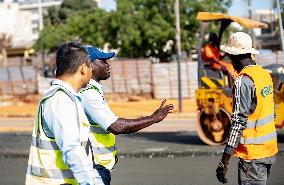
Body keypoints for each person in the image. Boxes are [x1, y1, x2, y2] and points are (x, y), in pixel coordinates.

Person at [80, 46, 175, 185]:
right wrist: (153, 118)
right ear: (91, 65)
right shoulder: (89, 94)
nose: (108, 64)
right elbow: (117, 127)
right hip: (94, 168)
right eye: (103, 60)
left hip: (97, 166)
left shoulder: (92, 90)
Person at [25, 42, 104, 185]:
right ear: (83, 69)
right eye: (90, 67)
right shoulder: (61, 100)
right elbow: (72, 150)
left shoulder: (66, 97)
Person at [216, 32, 278, 185]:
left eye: (230, 57)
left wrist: (224, 161)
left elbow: (238, 123)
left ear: (234, 56)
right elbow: (272, 112)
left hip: (252, 156)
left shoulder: (243, 81)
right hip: (268, 151)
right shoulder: (263, 75)